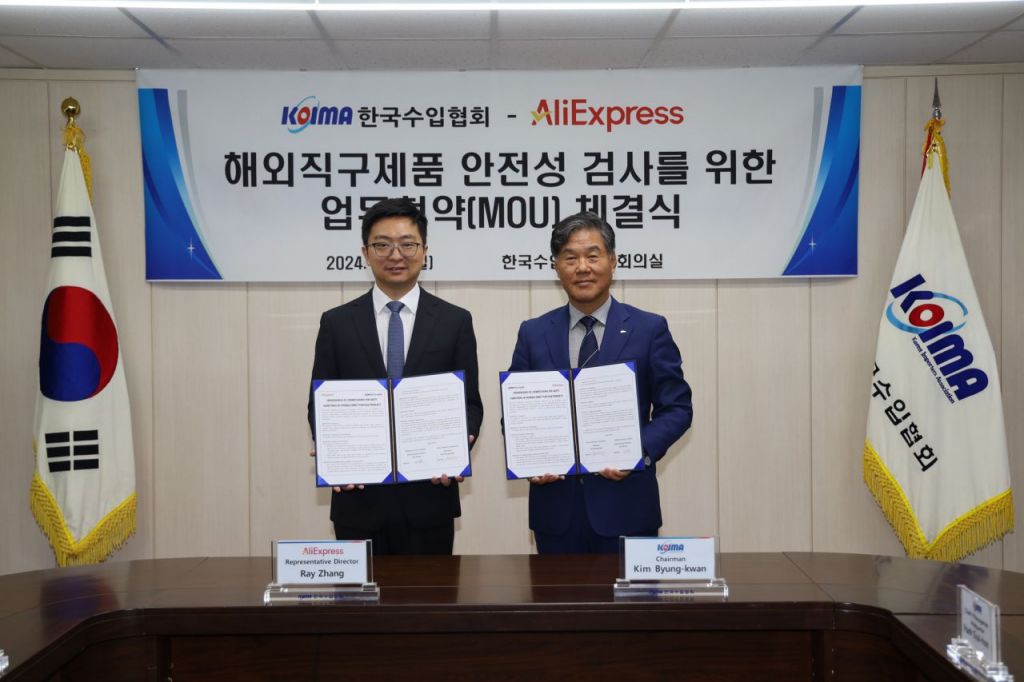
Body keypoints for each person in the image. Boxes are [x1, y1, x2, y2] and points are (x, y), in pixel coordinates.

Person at [507, 211, 692, 554]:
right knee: (556, 592)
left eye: (593, 256)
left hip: (627, 508)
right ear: (556, 267)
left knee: (631, 594)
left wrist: (636, 451)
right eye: (570, 258)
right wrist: (531, 459)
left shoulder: (649, 329)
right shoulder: (533, 333)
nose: (582, 267)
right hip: (555, 512)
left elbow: (677, 408)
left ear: (612, 261)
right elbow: (517, 414)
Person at [308, 198, 483, 555]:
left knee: (431, 592)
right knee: (358, 593)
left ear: (424, 251)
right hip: (358, 499)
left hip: (430, 499)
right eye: (382, 245)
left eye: (407, 244)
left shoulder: (455, 321)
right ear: (365, 252)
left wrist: (456, 446)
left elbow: (470, 404)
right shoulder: (336, 323)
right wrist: (332, 449)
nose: (395, 255)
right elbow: (319, 403)